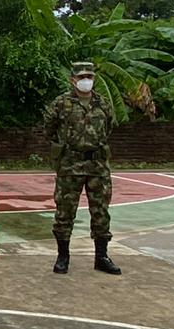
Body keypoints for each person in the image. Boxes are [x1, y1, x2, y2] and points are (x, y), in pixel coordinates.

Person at [43, 62, 121, 276]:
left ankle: (102, 257)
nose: (86, 80)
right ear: (73, 80)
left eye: (89, 75)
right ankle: (63, 256)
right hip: (70, 164)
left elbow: (109, 128)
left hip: (98, 165)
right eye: (82, 76)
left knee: (101, 212)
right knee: (65, 212)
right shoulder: (61, 103)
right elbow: (48, 129)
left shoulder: (103, 104)